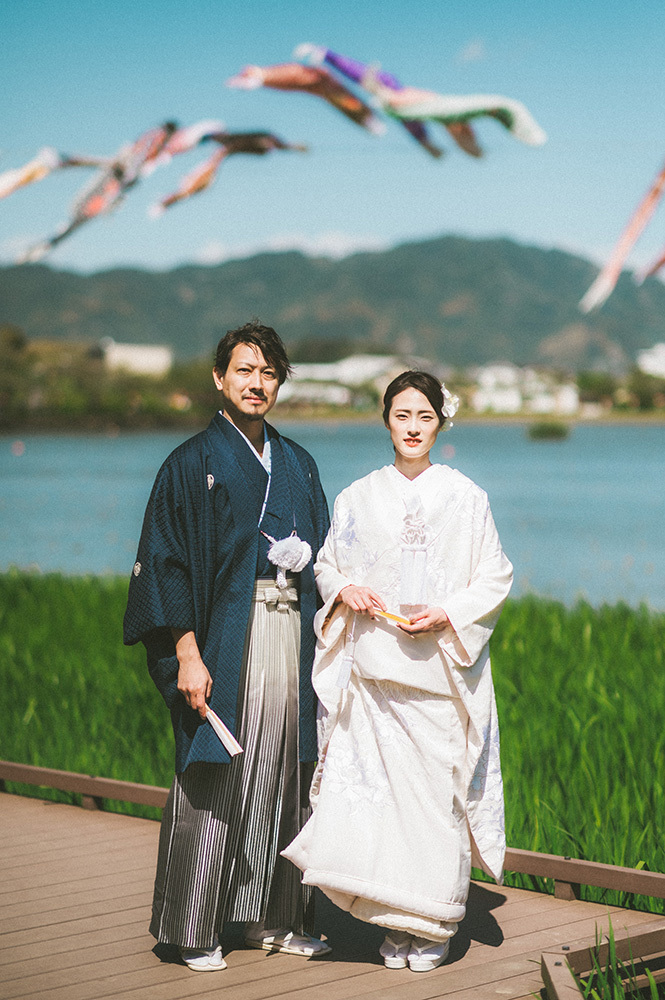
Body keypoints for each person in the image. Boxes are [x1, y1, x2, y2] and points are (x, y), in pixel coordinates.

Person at [283, 370, 513, 973]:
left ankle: (432, 923)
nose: (413, 428)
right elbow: (328, 565)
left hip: (436, 676)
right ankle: (394, 921)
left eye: (425, 417)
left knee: (435, 804)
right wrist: (346, 590)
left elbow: (494, 577)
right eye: (402, 416)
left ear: (441, 422)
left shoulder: (467, 497)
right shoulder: (358, 496)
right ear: (386, 420)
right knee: (381, 805)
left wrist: (448, 611)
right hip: (375, 676)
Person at [124, 321, 331, 971]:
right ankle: (192, 929)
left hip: (290, 631)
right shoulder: (191, 464)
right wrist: (187, 652)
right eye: (244, 370)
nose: (256, 383)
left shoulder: (297, 462)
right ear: (219, 377)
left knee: (286, 775)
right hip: (222, 641)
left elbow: (330, 556)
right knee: (217, 774)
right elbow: (166, 565)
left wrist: (313, 564)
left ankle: (275, 919)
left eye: (268, 372)